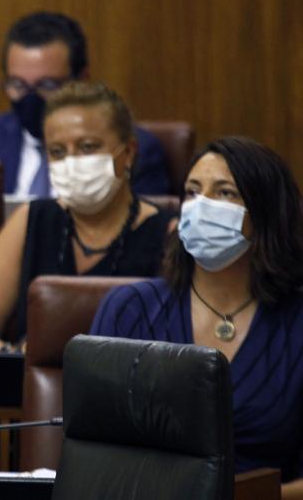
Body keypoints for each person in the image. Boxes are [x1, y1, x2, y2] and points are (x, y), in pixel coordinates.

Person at [92, 137, 303, 495]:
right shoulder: (129, 308)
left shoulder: (296, 322)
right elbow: (93, 447)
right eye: (192, 192)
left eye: (224, 193)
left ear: (267, 212)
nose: (201, 206)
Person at [0, 81, 175, 351]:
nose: (72, 162)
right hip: (31, 386)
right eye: (57, 152)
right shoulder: (31, 220)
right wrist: (15, 359)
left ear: (127, 153)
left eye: (88, 147)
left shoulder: (168, 234)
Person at [0, 11, 170, 199]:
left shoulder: (131, 149)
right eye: (17, 84)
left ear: (82, 80)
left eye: (47, 85)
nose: (31, 98)